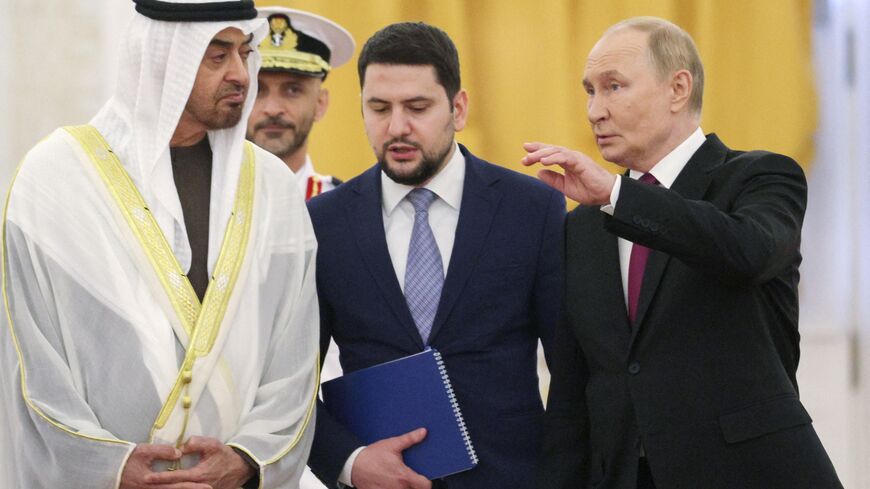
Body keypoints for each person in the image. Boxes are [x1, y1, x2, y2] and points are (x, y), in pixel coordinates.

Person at [0, 1, 320, 488]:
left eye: (244, 52)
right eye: (217, 56)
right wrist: (111, 466)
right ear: (161, 59)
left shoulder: (273, 189)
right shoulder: (55, 180)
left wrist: (246, 460)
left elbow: (295, 361)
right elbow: (29, 365)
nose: (240, 74)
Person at [522, 16, 843, 489]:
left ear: (678, 89)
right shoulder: (582, 227)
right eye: (589, 91)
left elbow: (747, 251)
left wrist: (618, 196)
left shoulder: (761, 177)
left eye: (613, 87)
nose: (594, 110)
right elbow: (574, 394)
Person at [306, 22, 564, 489]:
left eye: (418, 107)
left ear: (458, 108)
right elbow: (291, 382)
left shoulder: (531, 208)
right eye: (379, 108)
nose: (397, 127)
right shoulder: (323, 222)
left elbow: (573, 369)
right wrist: (349, 462)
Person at [246, 6, 354, 201]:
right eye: (258, 90)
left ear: (321, 103)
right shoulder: (206, 201)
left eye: (293, 90)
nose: (273, 109)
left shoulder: (347, 209)